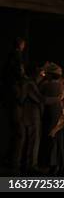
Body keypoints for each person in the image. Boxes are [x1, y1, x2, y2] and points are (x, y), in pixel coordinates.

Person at [2, 38, 27, 173]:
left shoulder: (10, 59)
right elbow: (20, 73)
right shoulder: (17, 58)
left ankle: (10, 160)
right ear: (21, 45)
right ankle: (14, 162)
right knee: (19, 133)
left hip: (10, 98)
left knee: (15, 132)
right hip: (14, 99)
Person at [38, 62, 64, 175]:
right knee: (56, 137)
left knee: (49, 137)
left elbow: (40, 97)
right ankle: (57, 163)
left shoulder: (45, 85)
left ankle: (49, 163)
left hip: (49, 112)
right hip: (57, 111)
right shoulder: (60, 85)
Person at [16, 63, 44, 175]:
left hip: (26, 115)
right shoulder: (30, 84)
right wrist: (55, 99)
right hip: (32, 116)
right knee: (33, 141)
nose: (42, 76)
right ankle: (31, 166)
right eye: (40, 74)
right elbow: (39, 99)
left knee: (27, 140)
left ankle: (24, 164)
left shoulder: (26, 84)